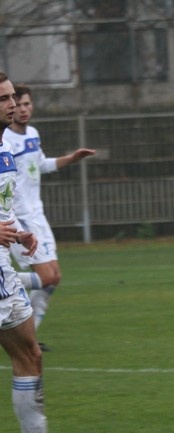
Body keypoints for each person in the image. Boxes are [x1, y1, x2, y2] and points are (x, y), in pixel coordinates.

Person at [0, 73, 84, 433]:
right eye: (5, 98)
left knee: (29, 353)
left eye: (14, 96)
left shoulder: (5, 145)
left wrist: (19, 234)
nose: (13, 103)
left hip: (5, 261)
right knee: (28, 354)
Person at [3, 84, 95, 341]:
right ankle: (4, 280)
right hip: (18, 218)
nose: (22, 109)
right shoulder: (5, 139)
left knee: (54, 278)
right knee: (46, 276)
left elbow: (40, 165)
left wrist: (72, 158)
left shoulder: (32, 133)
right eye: (17, 104)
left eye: (26, 103)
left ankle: (30, 335)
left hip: (37, 215)